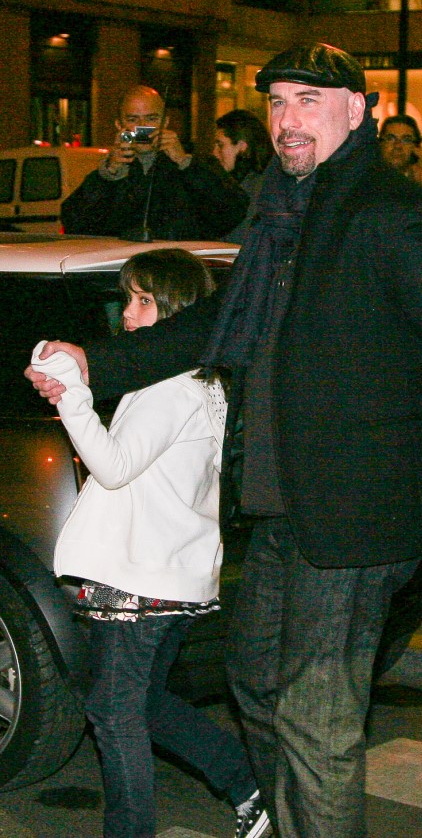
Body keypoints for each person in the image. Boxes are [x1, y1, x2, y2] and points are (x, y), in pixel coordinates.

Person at [27, 43, 422, 837]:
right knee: (252, 680)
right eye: (278, 102)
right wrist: (97, 362)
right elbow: (216, 325)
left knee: (316, 721)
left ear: (357, 110)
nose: (288, 120)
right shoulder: (284, 212)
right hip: (284, 506)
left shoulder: (387, 211)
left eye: (308, 102)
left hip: (355, 516)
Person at [29, 248, 269, 838]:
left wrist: (73, 397)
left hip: (140, 581)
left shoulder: (170, 387)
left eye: (143, 300)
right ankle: (249, 785)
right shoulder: (201, 384)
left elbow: (113, 466)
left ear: (178, 309)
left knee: (113, 715)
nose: (129, 314)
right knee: (146, 705)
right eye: (128, 299)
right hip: (168, 575)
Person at [62, 85, 248, 242]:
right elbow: (74, 223)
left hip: (179, 266)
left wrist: (184, 163)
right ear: (119, 126)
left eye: (151, 119)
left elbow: (233, 212)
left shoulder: (195, 166)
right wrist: (109, 175)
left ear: (165, 122)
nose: (143, 127)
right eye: (133, 120)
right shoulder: (110, 173)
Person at [213, 108, 273, 244]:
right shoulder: (248, 181)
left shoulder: (257, 188)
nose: (215, 153)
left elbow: (236, 239)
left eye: (220, 145)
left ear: (242, 146)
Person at [378, 113, 422, 190]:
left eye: (406, 140)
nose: (397, 146)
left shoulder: (420, 183)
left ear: (416, 148)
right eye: (390, 139)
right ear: (380, 144)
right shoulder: (366, 180)